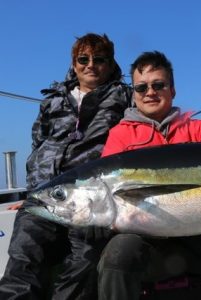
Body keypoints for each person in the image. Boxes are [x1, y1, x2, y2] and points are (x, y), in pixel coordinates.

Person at [97, 51, 201, 300]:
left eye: (158, 85)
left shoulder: (198, 129)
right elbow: (105, 192)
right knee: (119, 250)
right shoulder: (120, 136)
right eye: (141, 87)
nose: (150, 92)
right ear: (134, 94)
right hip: (155, 252)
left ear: (172, 90)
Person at [0, 33, 131, 300]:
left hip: (92, 199)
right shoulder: (53, 100)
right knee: (24, 252)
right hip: (46, 197)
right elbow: (38, 144)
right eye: (83, 59)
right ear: (74, 63)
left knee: (84, 261)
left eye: (99, 59)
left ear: (110, 64)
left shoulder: (125, 99)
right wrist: (32, 194)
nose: (90, 65)